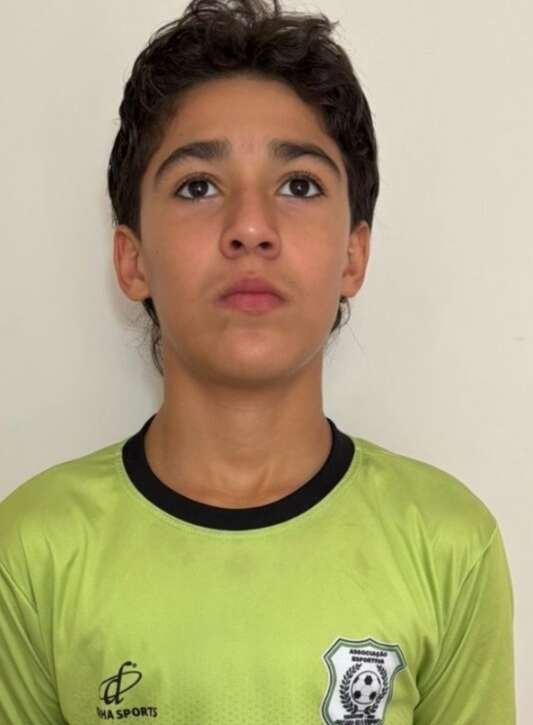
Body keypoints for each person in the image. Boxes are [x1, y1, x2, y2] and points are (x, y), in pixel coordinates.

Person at [0, 0, 516, 722]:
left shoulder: (449, 544)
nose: (249, 227)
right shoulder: (33, 550)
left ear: (353, 254)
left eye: (299, 185)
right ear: (132, 259)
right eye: (198, 186)